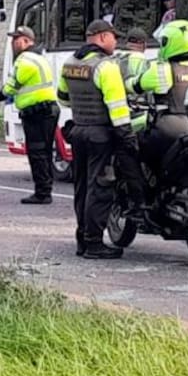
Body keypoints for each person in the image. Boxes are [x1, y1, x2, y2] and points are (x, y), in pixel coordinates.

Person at [56, 20, 131, 259]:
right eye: (112, 37)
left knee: (82, 186)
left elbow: (63, 98)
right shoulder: (106, 66)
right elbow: (117, 106)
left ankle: (82, 239)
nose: (115, 42)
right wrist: (127, 136)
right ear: (100, 37)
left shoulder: (71, 63)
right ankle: (94, 243)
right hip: (101, 134)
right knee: (100, 188)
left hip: (79, 131)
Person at [0, 26, 58, 204]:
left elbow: (11, 87)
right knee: (44, 153)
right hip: (47, 110)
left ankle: (43, 193)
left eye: (16, 40)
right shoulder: (40, 58)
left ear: (26, 41)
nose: (13, 44)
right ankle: (45, 190)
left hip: (37, 113)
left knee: (37, 152)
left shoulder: (24, 60)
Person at [127, 20, 188, 159]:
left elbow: (132, 85)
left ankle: (139, 181)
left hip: (168, 129)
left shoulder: (161, 69)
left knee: (129, 148)